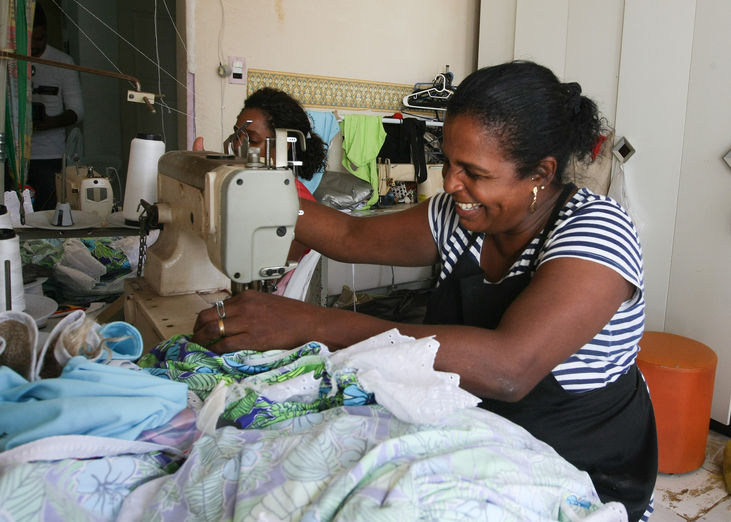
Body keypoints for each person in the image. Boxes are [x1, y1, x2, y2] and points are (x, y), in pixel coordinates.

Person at [192, 61, 657, 520]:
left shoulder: (597, 230)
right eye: (449, 163)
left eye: (474, 172)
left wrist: (312, 324)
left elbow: (507, 368)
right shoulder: (460, 215)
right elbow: (351, 238)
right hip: (479, 437)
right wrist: (246, 185)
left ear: (540, 173)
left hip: (583, 469)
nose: (450, 184)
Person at [193, 87, 327, 263]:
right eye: (236, 134)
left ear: (283, 145)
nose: (237, 145)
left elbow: (272, 272)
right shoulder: (238, 184)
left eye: (252, 140)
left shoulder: (297, 201)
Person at [26, 4, 83, 210]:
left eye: (39, 39)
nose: (33, 45)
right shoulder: (11, 60)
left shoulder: (63, 62)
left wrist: (51, 122)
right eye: (30, 39)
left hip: (49, 155)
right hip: (12, 155)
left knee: (48, 211)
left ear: (47, 34)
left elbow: (77, 111)